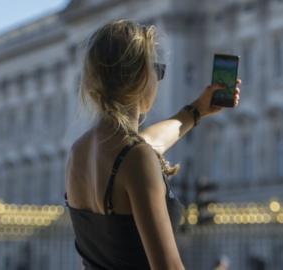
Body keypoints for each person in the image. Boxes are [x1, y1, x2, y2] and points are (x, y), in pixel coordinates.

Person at [64, 19, 241, 270]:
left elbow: (148, 142)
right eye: (157, 71)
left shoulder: (79, 152)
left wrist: (198, 109)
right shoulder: (135, 158)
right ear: (142, 77)